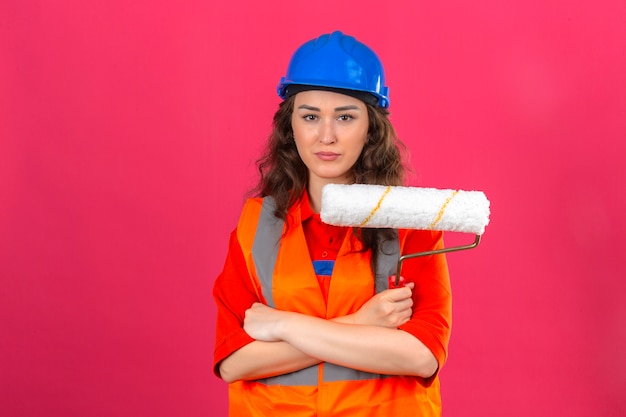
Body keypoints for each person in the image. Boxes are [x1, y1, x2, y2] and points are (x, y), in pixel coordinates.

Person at [213, 30, 452, 416]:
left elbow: (422, 356)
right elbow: (233, 363)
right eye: (310, 116)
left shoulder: (411, 221)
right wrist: (361, 322)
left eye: (345, 117)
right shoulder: (256, 226)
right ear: (290, 126)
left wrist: (283, 326)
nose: (326, 136)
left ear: (371, 127)